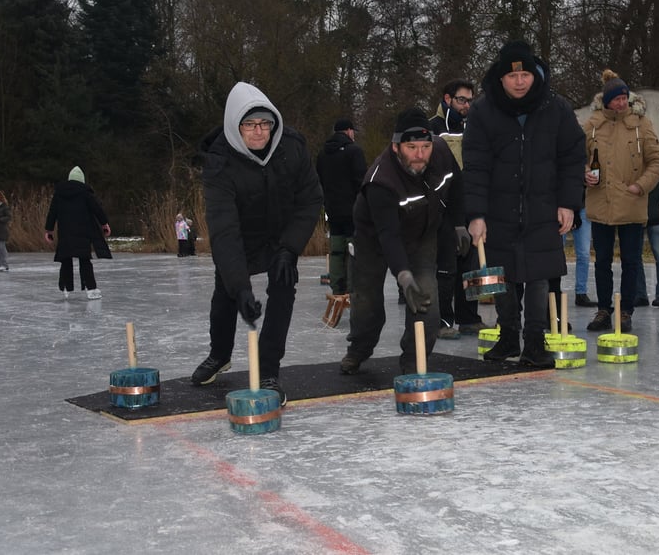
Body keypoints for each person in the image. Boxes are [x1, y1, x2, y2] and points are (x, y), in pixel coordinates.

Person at [190, 81, 323, 406]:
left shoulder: (291, 148)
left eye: (265, 123)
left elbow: (310, 199)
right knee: (226, 292)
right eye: (250, 125)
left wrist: (290, 247)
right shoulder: (219, 162)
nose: (259, 131)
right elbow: (223, 229)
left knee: (283, 287)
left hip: (281, 236)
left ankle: (268, 370)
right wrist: (241, 288)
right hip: (241, 238)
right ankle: (220, 354)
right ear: (236, 126)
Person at [462, 39, 585, 368]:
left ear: (535, 75)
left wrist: (568, 203)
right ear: (501, 78)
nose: (519, 82)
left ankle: (534, 340)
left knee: (538, 273)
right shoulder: (482, 111)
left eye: (526, 75)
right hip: (498, 209)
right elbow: (475, 166)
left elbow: (572, 158)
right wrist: (476, 214)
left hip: (543, 206)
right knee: (501, 272)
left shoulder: (555, 108)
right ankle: (507, 336)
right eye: (512, 76)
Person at [338, 107, 467, 375]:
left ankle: (413, 361)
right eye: (411, 147)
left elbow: (457, 185)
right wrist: (404, 276)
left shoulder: (441, 152)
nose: (420, 154)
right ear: (396, 147)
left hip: (422, 235)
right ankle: (359, 349)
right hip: (373, 240)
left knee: (426, 301)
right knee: (367, 304)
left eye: (425, 147)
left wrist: (458, 223)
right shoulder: (381, 181)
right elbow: (389, 236)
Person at [583, 69, 659, 334]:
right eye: (617, 99)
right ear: (606, 101)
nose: (621, 103)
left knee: (631, 261)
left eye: (624, 98)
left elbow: (657, 161)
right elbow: (575, 158)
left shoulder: (641, 124)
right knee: (602, 261)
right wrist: (585, 173)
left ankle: (626, 311)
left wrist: (640, 186)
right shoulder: (592, 125)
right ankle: (603, 310)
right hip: (601, 204)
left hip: (631, 203)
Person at [428, 80, 490, 339]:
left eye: (469, 101)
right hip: (443, 207)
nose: (466, 105)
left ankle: (469, 317)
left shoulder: (473, 126)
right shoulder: (432, 127)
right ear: (447, 99)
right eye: (461, 100)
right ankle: (443, 320)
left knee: (470, 263)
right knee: (446, 265)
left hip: (470, 203)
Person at [316, 118, 367, 296]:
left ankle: (337, 287)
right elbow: (361, 181)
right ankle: (354, 289)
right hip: (353, 210)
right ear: (348, 131)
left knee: (336, 251)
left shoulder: (323, 153)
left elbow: (319, 180)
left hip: (332, 210)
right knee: (353, 250)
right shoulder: (354, 151)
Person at [44, 167, 112, 298]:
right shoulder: (85, 192)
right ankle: (91, 289)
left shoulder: (59, 193)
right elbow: (97, 209)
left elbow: (52, 212)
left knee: (65, 259)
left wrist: (49, 230)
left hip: (65, 232)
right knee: (84, 259)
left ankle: (66, 287)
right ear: (82, 180)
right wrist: (104, 224)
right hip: (83, 231)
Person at [635, 164, 659, 308]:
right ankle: (640, 294)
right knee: (635, 257)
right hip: (636, 214)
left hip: (657, 215)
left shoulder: (658, 160)